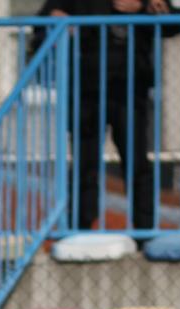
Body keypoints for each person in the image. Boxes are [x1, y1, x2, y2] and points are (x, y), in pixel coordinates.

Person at [52, 0, 162, 230]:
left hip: (130, 87)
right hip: (87, 86)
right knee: (85, 160)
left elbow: (167, 20)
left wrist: (143, 9)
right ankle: (81, 225)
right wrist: (57, 18)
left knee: (136, 160)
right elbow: (49, 13)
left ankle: (145, 228)